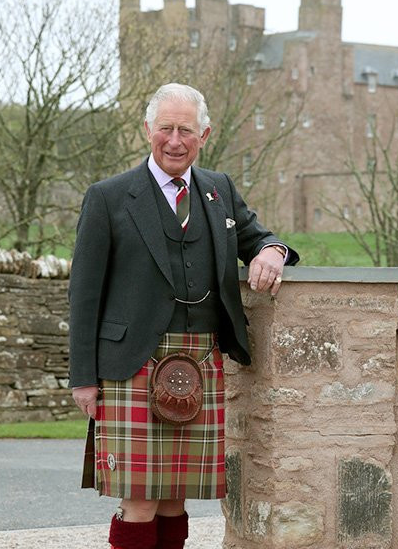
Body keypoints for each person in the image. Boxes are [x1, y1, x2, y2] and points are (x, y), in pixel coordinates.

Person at [68, 83, 299, 549]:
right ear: (147, 131)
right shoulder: (109, 197)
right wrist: (83, 379)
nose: (175, 140)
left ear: (204, 134)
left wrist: (272, 252)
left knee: (176, 496)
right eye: (166, 129)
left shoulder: (218, 190)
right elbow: (84, 294)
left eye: (186, 130)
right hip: (133, 363)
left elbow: (260, 237)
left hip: (201, 358)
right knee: (140, 498)